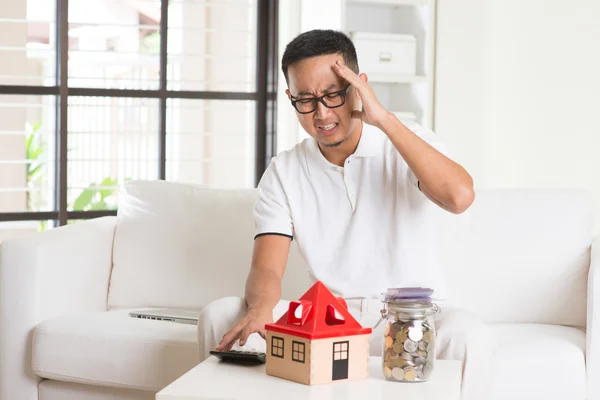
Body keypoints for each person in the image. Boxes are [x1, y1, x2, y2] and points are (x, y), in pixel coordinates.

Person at [197, 29, 496, 400]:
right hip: (331, 322)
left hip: (410, 319)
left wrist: (384, 119)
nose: (321, 113)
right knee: (220, 314)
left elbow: (459, 197)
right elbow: (267, 268)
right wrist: (260, 309)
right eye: (306, 99)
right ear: (291, 98)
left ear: (359, 87)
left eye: (333, 94)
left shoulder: (404, 142)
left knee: (467, 332)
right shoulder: (284, 171)